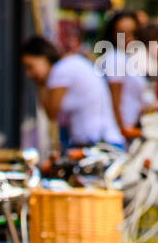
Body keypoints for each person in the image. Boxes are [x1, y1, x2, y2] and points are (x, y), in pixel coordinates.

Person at [21, 34, 123, 148]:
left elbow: (51, 113)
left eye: (30, 66)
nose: (28, 74)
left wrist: (41, 84)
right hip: (103, 140)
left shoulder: (60, 71)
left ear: (43, 57)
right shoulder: (69, 64)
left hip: (98, 143)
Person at [101, 9, 148, 138]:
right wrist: (124, 132)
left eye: (132, 33)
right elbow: (114, 103)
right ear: (113, 34)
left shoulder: (126, 58)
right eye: (121, 33)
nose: (128, 38)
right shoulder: (116, 58)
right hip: (120, 135)